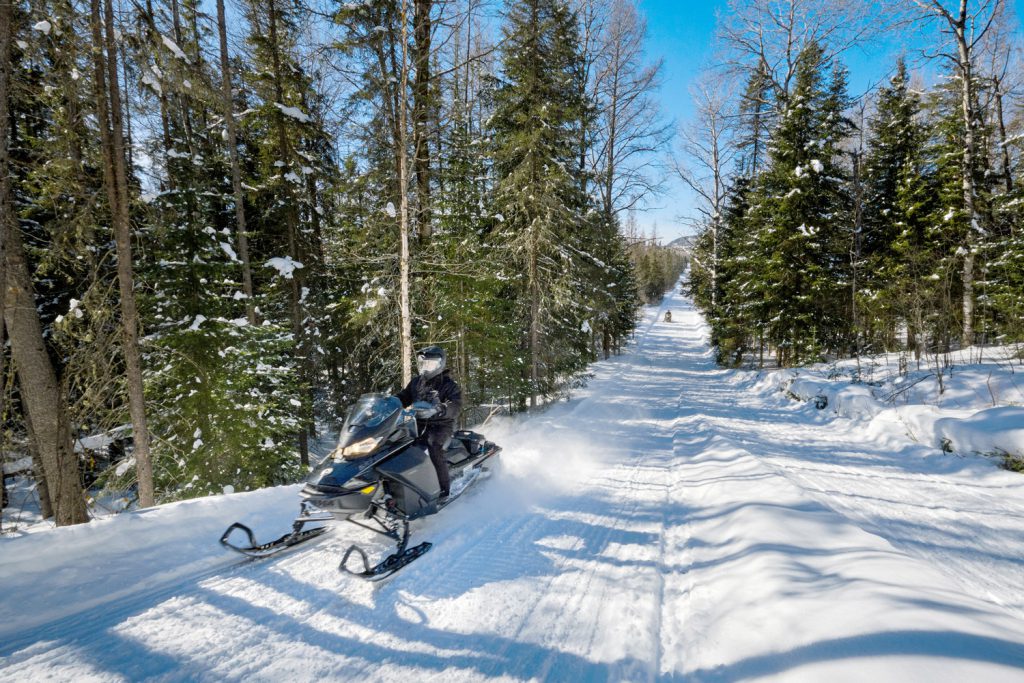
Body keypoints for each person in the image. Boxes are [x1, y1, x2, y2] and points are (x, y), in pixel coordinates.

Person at [396, 346, 462, 500]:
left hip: (441, 425)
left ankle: (443, 491)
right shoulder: (416, 382)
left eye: (430, 363)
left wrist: (440, 409)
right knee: (399, 445)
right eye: (423, 363)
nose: (426, 367)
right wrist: (390, 401)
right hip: (417, 423)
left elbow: (456, 406)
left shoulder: (449, 385)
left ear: (440, 364)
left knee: (434, 446)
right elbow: (404, 397)